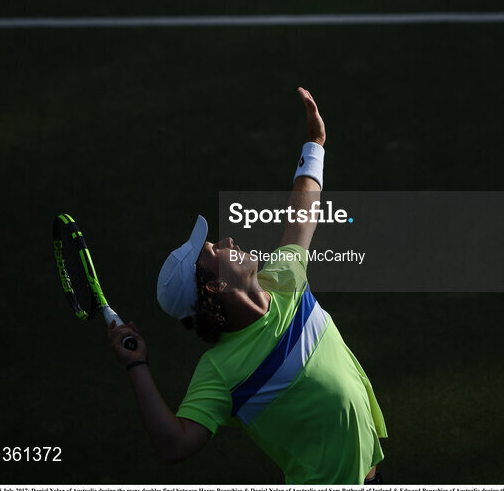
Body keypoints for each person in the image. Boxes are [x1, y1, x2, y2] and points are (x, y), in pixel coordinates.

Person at [108, 86, 387, 484]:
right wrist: (136, 365)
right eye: (213, 249)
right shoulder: (219, 371)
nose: (228, 241)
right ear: (212, 286)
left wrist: (315, 144)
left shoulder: (284, 280)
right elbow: (175, 444)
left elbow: (303, 209)